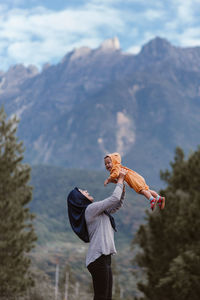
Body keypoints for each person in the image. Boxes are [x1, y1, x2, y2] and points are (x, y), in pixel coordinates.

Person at [67, 168, 127, 300]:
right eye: (83, 192)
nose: (87, 191)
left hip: (104, 258)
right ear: (79, 199)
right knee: (101, 296)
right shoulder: (90, 210)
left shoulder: (98, 211)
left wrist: (122, 187)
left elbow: (117, 204)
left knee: (107, 297)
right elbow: (113, 198)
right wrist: (120, 180)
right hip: (97, 258)